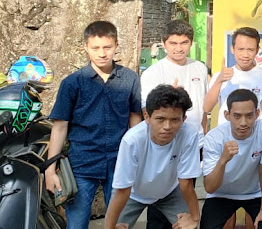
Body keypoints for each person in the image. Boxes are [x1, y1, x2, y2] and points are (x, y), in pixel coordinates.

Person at [45, 21, 142, 229]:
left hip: (120, 161)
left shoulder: (130, 79)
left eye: (107, 47)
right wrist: (50, 169)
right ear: (85, 47)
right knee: (77, 223)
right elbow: (60, 126)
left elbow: (135, 118)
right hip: (82, 162)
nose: (102, 53)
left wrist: (136, 157)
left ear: (116, 45)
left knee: (119, 224)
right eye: (95, 48)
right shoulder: (73, 82)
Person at [104, 85, 202, 229]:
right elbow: (122, 190)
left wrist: (195, 218)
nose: (167, 126)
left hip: (170, 192)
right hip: (132, 193)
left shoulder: (189, 134)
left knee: (190, 226)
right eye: (160, 119)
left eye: (175, 120)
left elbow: (186, 183)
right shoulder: (132, 140)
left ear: (184, 119)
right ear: (147, 117)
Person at [200, 89, 262, 229]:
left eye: (249, 116)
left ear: (257, 114)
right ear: (227, 115)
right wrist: (223, 160)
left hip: (255, 193)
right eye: (237, 116)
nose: (243, 122)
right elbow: (210, 187)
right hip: (220, 194)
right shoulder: (214, 137)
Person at [140, 19, 208, 137]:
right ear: (163, 43)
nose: (179, 48)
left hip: (198, 142)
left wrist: (205, 135)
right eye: (173, 43)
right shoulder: (152, 73)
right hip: (168, 141)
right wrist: (168, 98)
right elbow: (147, 111)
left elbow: (203, 109)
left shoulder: (200, 68)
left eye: (184, 43)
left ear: (191, 43)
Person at [204, 27, 262, 126]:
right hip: (227, 137)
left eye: (250, 50)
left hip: (257, 137)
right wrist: (219, 81)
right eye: (241, 49)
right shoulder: (220, 76)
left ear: (257, 51)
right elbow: (206, 108)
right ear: (232, 49)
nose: (245, 55)